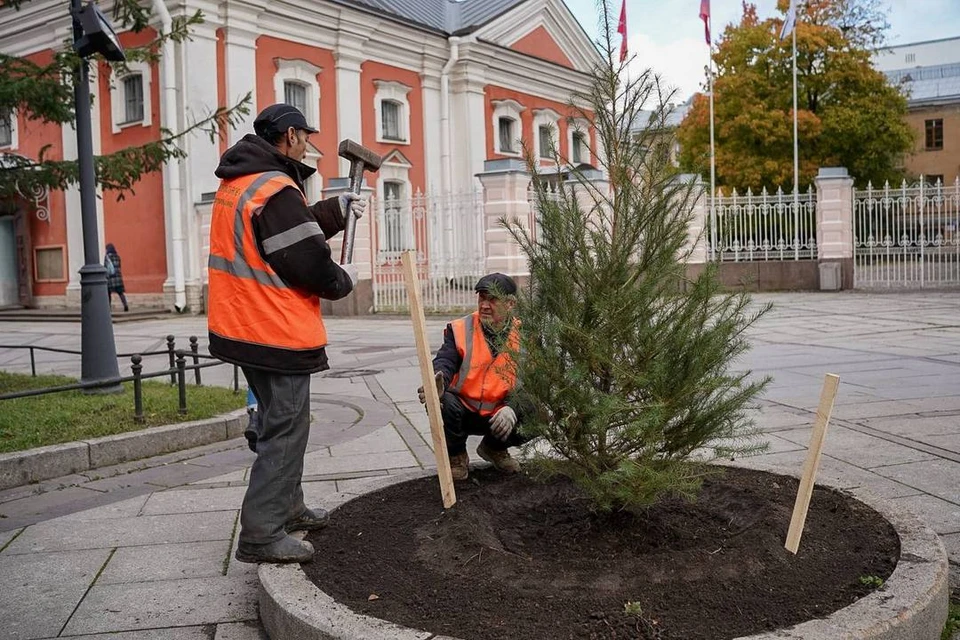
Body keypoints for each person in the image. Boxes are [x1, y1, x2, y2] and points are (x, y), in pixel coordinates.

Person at [207, 103, 365, 564]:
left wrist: (335, 211)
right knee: (286, 428)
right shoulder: (275, 188)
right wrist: (343, 279)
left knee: (283, 421)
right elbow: (304, 259)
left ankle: (288, 505)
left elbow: (284, 233)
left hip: (242, 325)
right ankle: (261, 534)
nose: (308, 142)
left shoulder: (243, 180)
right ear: (292, 135)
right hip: (274, 329)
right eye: (306, 135)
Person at [418, 273, 528, 481]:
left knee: (538, 411)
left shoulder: (525, 335)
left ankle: (494, 448)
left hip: (499, 416)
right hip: (462, 413)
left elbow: (530, 381)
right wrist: (437, 380)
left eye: (492, 299)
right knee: (443, 401)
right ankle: (457, 455)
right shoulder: (461, 329)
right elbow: (445, 360)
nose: (485, 305)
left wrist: (512, 407)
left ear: (510, 303)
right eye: (481, 298)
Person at [103, 243, 128, 312]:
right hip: (118, 277)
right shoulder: (117, 257)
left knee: (108, 293)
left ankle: (108, 307)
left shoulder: (107, 258)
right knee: (120, 293)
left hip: (110, 278)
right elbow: (119, 266)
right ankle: (125, 305)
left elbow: (106, 267)